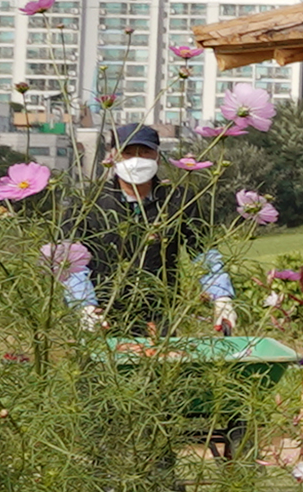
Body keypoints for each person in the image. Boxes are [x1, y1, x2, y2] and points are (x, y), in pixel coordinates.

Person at [64, 123, 240, 337]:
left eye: (145, 152)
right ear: (113, 156)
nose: (137, 160)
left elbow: (203, 252)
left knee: (161, 357)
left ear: (157, 157)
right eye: (128, 153)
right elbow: (71, 260)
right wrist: (84, 305)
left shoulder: (177, 199)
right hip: (103, 313)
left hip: (159, 313)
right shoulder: (89, 202)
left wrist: (222, 298)